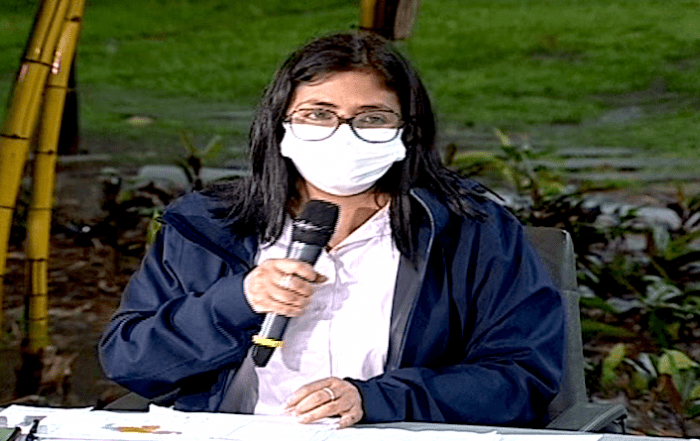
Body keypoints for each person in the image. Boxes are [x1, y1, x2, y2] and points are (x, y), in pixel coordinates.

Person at [99, 31, 565, 429]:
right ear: (280, 124)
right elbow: (131, 361)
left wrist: (376, 400)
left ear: (408, 130)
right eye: (318, 113)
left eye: (372, 118)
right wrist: (238, 301)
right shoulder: (210, 225)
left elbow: (521, 378)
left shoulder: (469, 231)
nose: (344, 133)